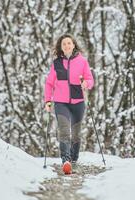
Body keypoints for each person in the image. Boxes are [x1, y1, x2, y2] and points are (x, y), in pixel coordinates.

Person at [44, 33, 94, 173]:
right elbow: (49, 83)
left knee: (76, 133)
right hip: (61, 102)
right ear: (61, 47)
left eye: (69, 43)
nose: (66, 45)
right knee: (64, 131)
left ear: (73, 45)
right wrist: (48, 100)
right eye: (64, 43)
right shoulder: (57, 63)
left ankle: (73, 159)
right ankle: (66, 161)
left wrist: (86, 83)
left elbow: (90, 80)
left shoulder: (82, 61)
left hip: (78, 102)